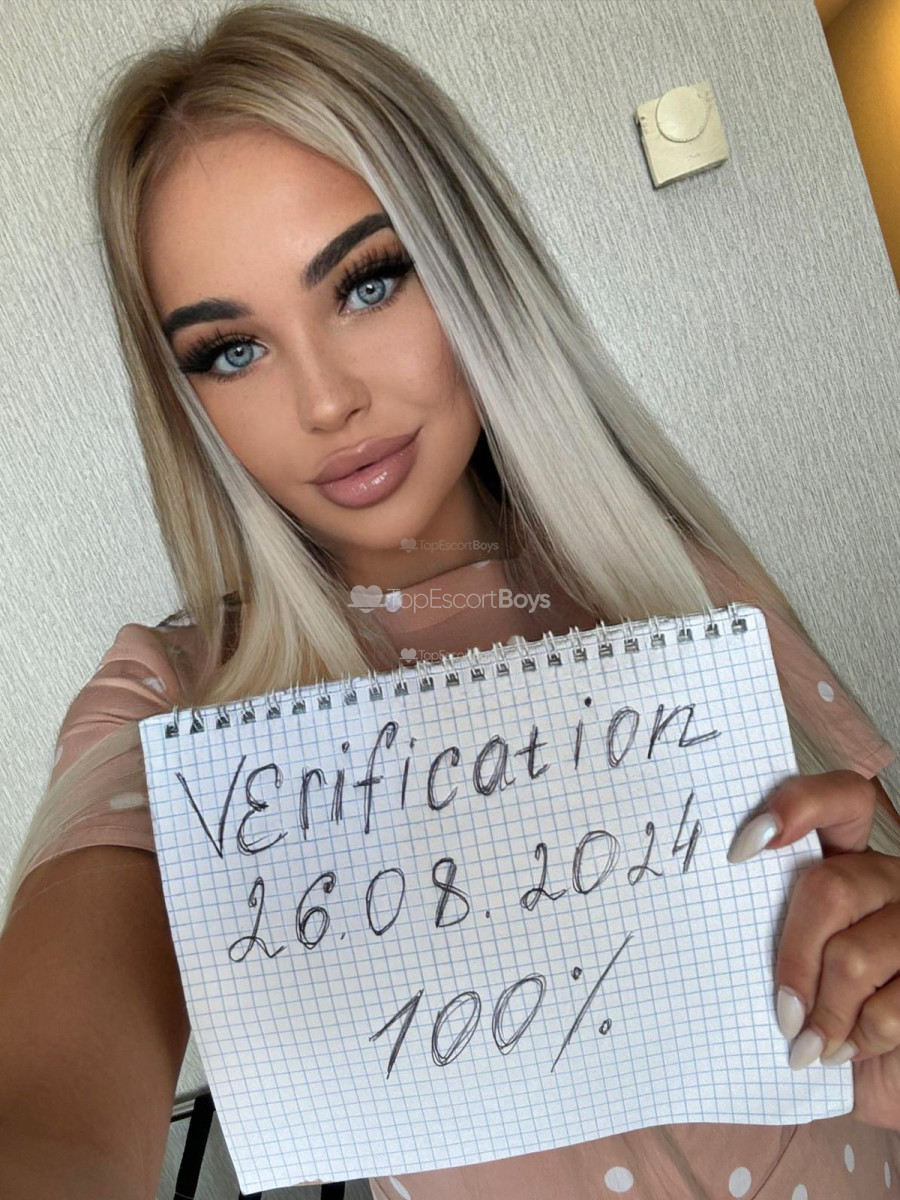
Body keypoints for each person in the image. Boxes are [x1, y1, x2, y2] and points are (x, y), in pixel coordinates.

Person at [1, 3, 898, 1197]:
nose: (327, 401)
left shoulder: (683, 581)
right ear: (186, 401)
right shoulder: (177, 709)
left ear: (470, 262)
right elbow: (46, 1114)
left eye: (367, 283)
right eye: (232, 350)